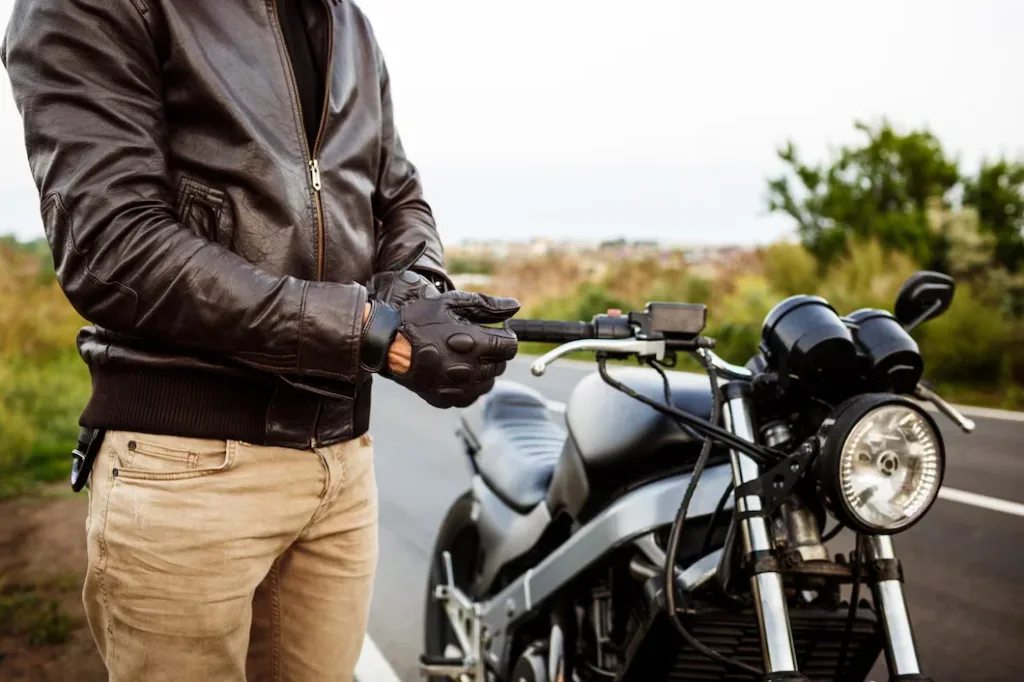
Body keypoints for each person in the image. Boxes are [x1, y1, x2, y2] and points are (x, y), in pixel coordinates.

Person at [2, 1, 519, 680]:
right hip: (186, 468)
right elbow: (113, 247)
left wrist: (416, 299)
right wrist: (367, 331)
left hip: (342, 463)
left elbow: (398, 199)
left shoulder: (347, 21)